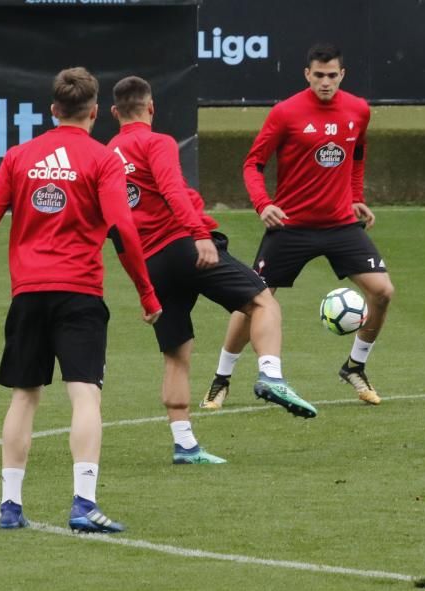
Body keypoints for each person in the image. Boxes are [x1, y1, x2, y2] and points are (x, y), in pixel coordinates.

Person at [0, 67, 161, 533]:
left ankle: (10, 505)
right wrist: (146, 293)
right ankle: (83, 503)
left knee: (24, 396)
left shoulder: (19, 156)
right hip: (79, 293)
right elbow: (122, 229)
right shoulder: (103, 160)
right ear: (96, 112)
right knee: (85, 396)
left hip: (28, 295)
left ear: (53, 110)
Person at [107, 76, 317, 466]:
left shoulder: (105, 155)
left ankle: (184, 444)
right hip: (185, 243)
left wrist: (142, 286)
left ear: (115, 113)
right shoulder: (158, 142)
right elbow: (172, 190)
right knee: (262, 301)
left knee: (176, 355)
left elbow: (113, 226)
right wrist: (200, 234)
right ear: (151, 108)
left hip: (150, 262)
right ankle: (270, 375)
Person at [200, 43, 393, 409]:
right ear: (307, 74)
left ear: (342, 75)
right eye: (318, 75)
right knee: (254, 301)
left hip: (340, 226)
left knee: (383, 292)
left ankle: (355, 367)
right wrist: (263, 204)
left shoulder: (358, 110)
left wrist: (355, 196)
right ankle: (221, 378)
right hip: (290, 227)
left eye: (332, 76)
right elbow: (252, 164)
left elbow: (357, 153)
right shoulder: (286, 113)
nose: (325, 82)